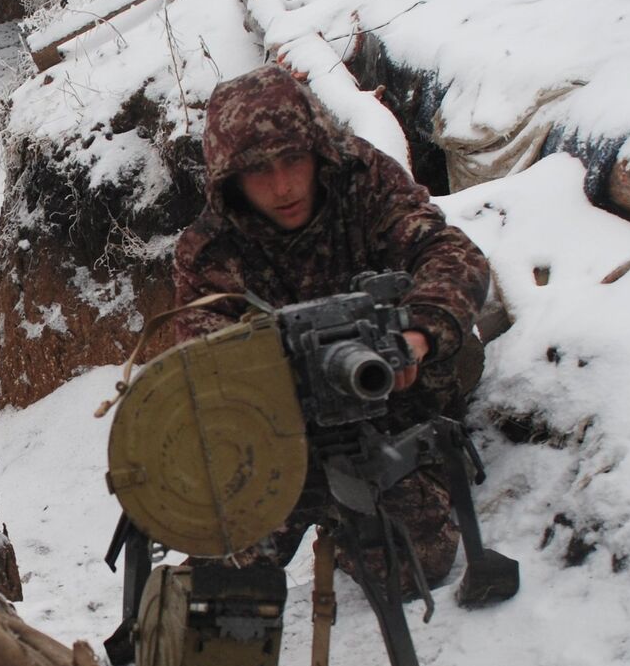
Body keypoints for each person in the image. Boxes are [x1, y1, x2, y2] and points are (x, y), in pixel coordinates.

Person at [171, 65, 493, 593]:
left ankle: (359, 520)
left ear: (318, 151)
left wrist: (416, 338)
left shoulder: (363, 180)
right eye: (258, 172)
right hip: (283, 443)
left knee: (411, 564)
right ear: (230, 178)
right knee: (222, 585)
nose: (282, 186)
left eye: (294, 160)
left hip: (393, 416)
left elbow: (449, 253)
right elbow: (206, 371)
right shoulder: (210, 253)